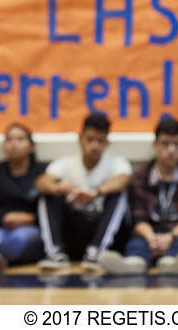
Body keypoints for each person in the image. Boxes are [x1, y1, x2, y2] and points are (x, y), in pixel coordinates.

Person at [98, 117, 178, 275]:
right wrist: (152, 239)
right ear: (155, 145)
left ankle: (171, 264)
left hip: (176, 234)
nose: (171, 149)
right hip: (147, 235)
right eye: (165, 143)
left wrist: (169, 237)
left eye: (177, 144)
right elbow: (137, 218)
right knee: (136, 244)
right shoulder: (140, 177)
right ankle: (133, 264)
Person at [34, 114, 133, 273]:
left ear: (107, 143)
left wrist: (95, 192)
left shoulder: (116, 163)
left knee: (119, 195)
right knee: (47, 195)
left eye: (100, 141)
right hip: (73, 231)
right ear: (80, 139)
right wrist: (58, 187)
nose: (94, 146)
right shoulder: (65, 164)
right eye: (90, 140)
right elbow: (41, 183)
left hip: (103, 231)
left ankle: (96, 253)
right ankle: (55, 254)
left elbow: (123, 180)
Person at [0, 123, 48, 272]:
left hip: (31, 227)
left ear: (31, 146)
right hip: (0, 226)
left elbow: (54, 210)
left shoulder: (43, 174)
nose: (14, 144)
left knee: (20, 239)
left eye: (20, 139)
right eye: (9, 140)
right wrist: (4, 217)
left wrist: (30, 218)